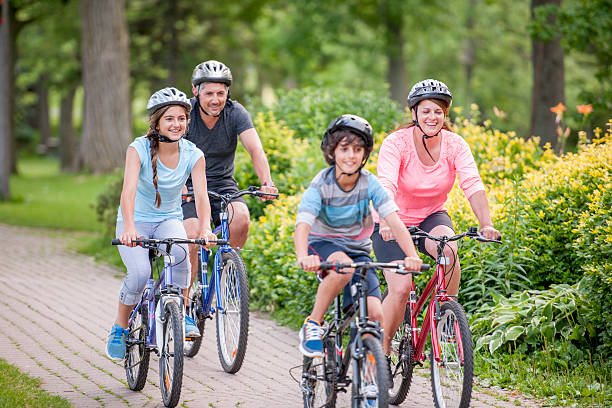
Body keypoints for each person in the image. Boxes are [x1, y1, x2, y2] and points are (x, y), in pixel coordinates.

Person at [371, 79, 500, 360]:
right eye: (426, 111)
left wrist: (486, 223)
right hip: (392, 221)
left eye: (439, 112)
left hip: (431, 216)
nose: (433, 117)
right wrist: (386, 223)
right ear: (414, 113)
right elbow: (385, 185)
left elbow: (473, 184)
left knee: (450, 251)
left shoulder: (455, 145)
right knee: (402, 287)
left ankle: (445, 316)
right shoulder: (397, 143)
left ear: (445, 115)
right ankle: (381, 354)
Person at [295, 114, 422, 358]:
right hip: (322, 243)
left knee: (376, 316)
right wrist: (303, 256)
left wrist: (411, 255)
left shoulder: (369, 182)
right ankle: (313, 323)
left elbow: (394, 221)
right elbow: (303, 225)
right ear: (332, 152)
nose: (351, 155)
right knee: (343, 267)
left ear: (365, 154)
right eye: (344, 149)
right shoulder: (322, 183)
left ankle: (369, 381)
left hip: (358, 250)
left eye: (357, 149)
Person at [106, 87, 217, 360]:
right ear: (156, 122)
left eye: (181, 119)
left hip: (169, 219)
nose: (176, 124)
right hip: (136, 221)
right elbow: (128, 190)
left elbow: (201, 196)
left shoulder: (193, 153)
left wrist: (204, 228)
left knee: (181, 257)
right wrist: (129, 227)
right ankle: (120, 327)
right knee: (141, 273)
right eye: (169, 119)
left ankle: (180, 311)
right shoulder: (138, 148)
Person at [181, 60, 278, 290]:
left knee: (241, 217)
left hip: (222, 185)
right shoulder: (184, 114)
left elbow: (255, 149)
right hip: (188, 188)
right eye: (209, 93)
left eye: (221, 93)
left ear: (228, 93)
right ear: (196, 92)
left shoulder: (235, 113)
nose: (216, 99)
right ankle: (185, 303)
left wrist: (266, 182)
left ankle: (226, 270)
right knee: (192, 236)